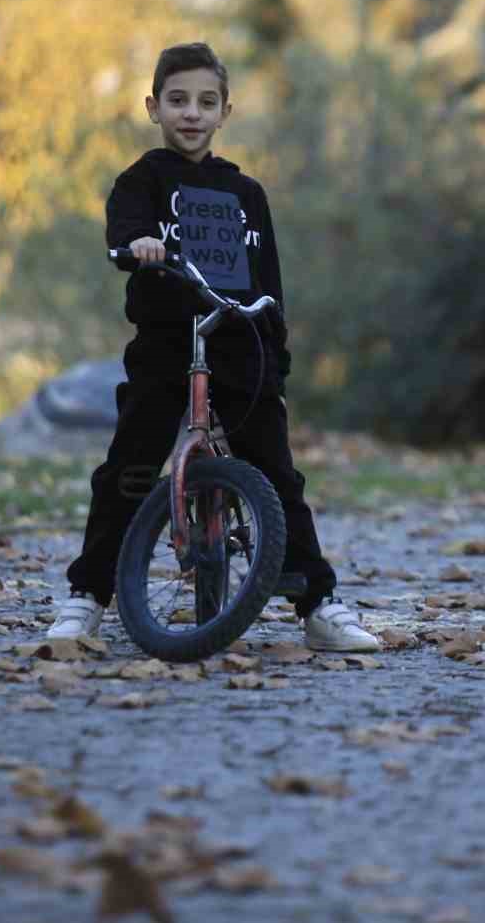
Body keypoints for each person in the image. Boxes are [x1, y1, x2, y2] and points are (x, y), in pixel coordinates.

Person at [46, 42, 378, 652]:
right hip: (168, 344)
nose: (191, 114)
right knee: (128, 470)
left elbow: (266, 282)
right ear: (153, 108)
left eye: (206, 102)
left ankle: (320, 605)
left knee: (278, 476)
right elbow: (122, 237)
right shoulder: (142, 181)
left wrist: (273, 354)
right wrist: (140, 246)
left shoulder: (245, 193)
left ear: (226, 111)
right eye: (177, 101)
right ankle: (87, 597)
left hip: (237, 348)